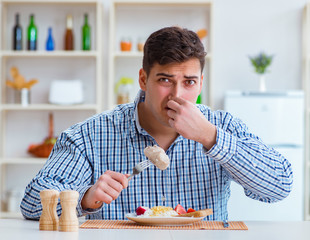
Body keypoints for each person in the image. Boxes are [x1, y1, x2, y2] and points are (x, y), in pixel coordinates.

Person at [21, 26, 293, 221]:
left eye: (189, 82)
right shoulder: (88, 135)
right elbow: (32, 203)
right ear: (143, 79)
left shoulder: (222, 126)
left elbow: (280, 186)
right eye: (165, 80)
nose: (177, 95)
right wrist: (84, 197)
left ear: (201, 83)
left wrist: (211, 137)